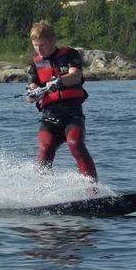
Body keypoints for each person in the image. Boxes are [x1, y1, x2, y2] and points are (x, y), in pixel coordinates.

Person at [26, 20, 97, 182]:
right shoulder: (34, 66)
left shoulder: (70, 54)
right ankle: (41, 192)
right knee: (45, 149)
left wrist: (59, 81)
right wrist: (33, 93)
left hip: (72, 116)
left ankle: (93, 190)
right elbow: (32, 86)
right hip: (49, 118)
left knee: (75, 144)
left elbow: (76, 75)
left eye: (42, 45)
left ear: (53, 40)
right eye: (35, 45)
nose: (39, 49)